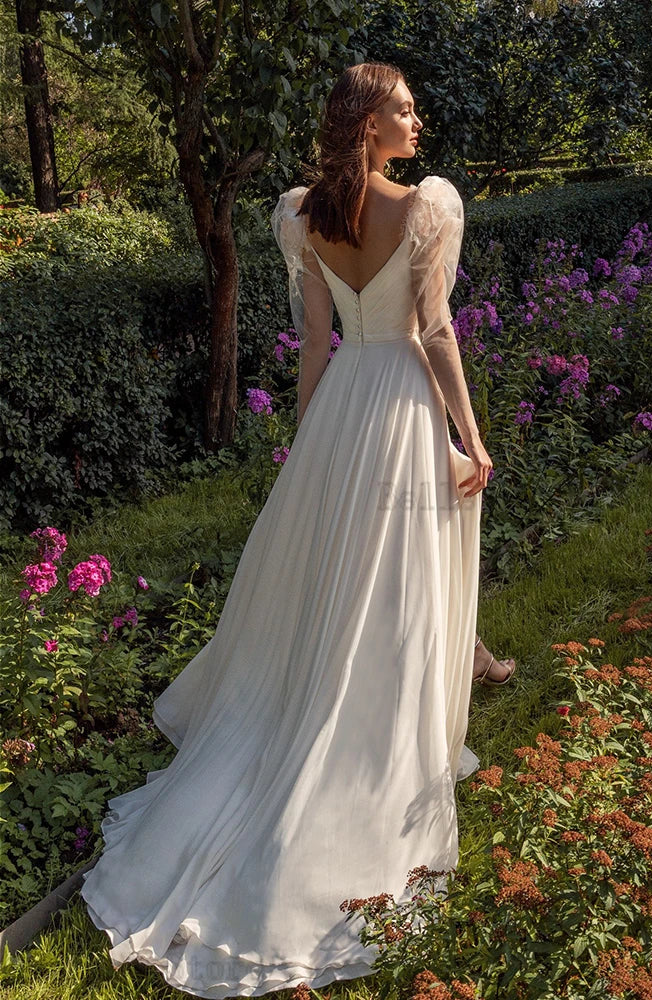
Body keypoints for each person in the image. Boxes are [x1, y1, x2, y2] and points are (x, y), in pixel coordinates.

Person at [78, 61, 512, 997]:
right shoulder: (429, 209)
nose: (416, 117)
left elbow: (316, 342)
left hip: (344, 405)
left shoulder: (298, 214)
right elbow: (434, 336)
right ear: (367, 125)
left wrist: (312, 441)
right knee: (396, 576)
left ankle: (405, 673)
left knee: (336, 571)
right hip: (399, 404)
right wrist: (470, 440)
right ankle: (373, 736)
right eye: (401, 107)